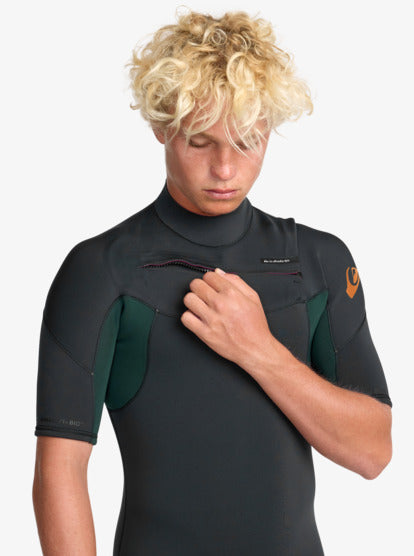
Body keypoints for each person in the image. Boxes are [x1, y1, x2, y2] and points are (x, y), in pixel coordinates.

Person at [32, 9, 393, 556]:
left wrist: (257, 349)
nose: (225, 168)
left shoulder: (318, 261)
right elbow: (60, 470)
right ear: (162, 125)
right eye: (200, 142)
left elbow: (373, 452)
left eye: (246, 141)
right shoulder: (102, 269)